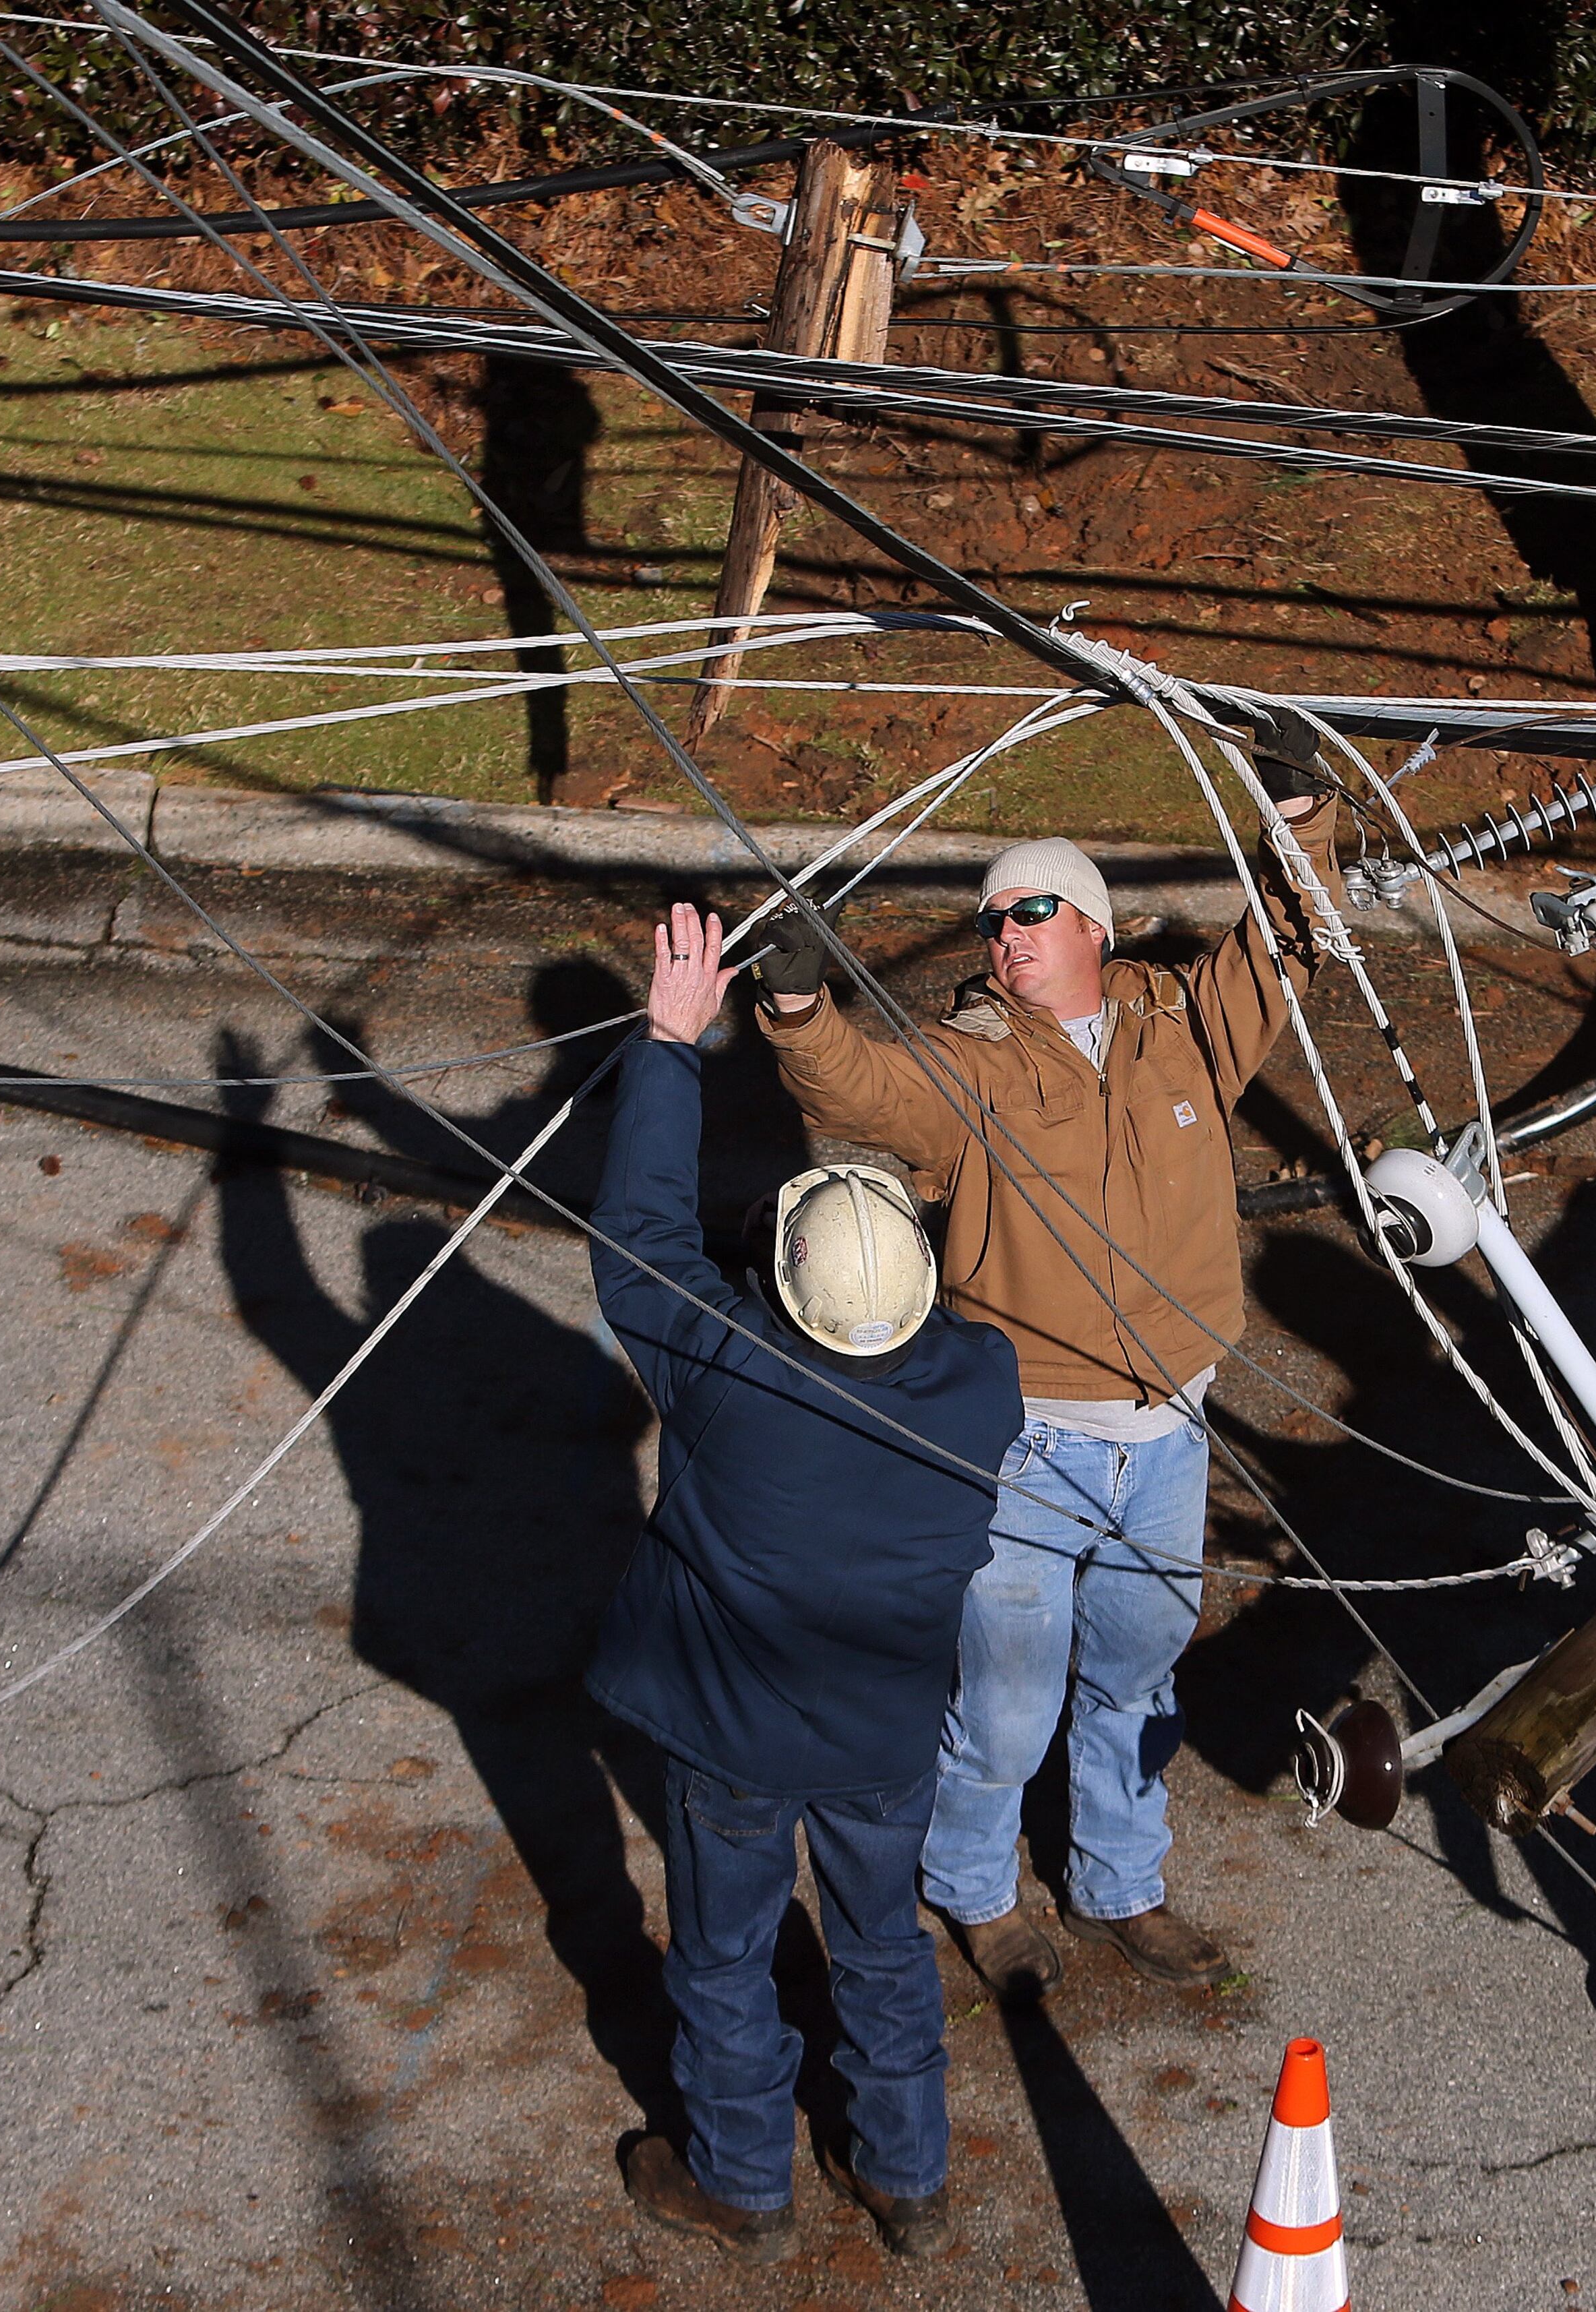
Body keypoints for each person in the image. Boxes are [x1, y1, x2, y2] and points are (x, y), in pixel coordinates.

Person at [752, 756, 1337, 1999]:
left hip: (1171, 1434)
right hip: (1027, 1443)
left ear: (1092, 927)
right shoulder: (972, 1069)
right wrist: (799, 1007)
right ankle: (974, 1892)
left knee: (1135, 1671)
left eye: (1029, 911)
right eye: (991, 918)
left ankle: (1122, 1884)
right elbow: (862, 1087)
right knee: (1007, 1705)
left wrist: (1299, 813)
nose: (1004, 934)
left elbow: (1290, 934)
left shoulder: (1183, 1027)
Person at [590, 902, 1023, 2264]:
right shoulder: (977, 1385)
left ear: (782, 1283)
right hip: (887, 1733)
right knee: (882, 1943)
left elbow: (639, 1241)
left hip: (731, 1737)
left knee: (722, 1956)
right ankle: (908, 2172)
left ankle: (740, 2175)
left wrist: (671, 1042)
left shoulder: (730, 1368)